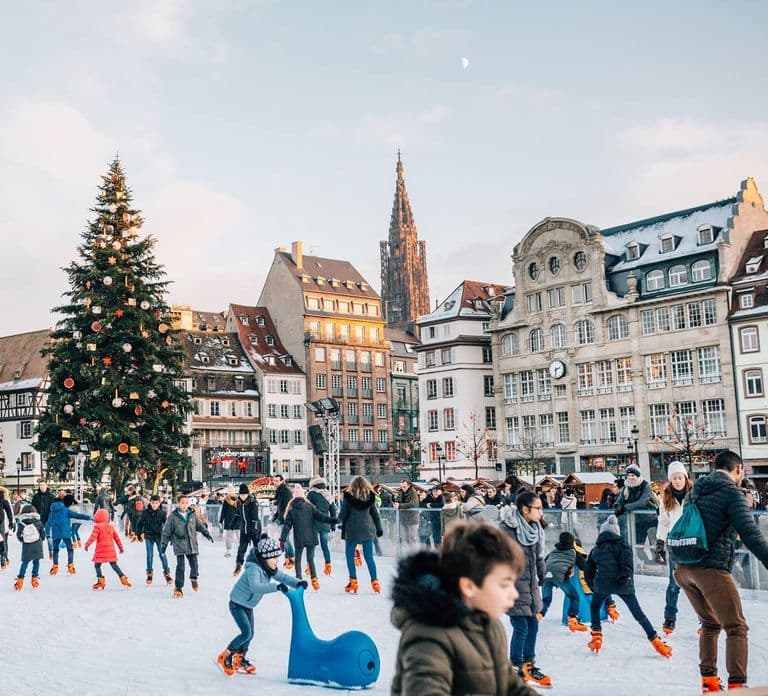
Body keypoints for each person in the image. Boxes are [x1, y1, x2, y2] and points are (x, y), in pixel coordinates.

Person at [391, 521, 537, 696]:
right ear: (469, 586)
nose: (514, 594)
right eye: (504, 585)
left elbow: (510, 686)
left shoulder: (489, 626)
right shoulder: (428, 636)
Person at [673, 450, 768, 692]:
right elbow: (751, 534)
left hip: (684, 569)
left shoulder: (695, 491)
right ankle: (737, 686)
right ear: (738, 470)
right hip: (710, 569)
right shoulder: (731, 493)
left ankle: (709, 682)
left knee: (710, 623)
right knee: (736, 627)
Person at [584, 515, 671, 658]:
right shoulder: (623, 546)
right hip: (623, 584)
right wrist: (624, 576)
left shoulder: (596, 549)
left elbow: (588, 571)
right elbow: (627, 565)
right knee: (638, 614)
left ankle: (596, 635)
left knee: (594, 606)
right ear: (617, 532)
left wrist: (594, 586)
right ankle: (656, 641)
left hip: (602, 584)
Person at [216, 535, 303, 676]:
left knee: (250, 634)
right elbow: (256, 587)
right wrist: (276, 587)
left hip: (248, 605)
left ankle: (239, 659)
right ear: (265, 558)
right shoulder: (253, 569)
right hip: (237, 604)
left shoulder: (268, 568)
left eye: (277, 558)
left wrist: (297, 583)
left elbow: (282, 577)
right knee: (246, 633)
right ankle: (225, 656)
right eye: (274, 558)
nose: (276, 561)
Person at [499, 490, 550, 689]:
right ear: (525, 509)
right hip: (513, 587)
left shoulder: (534, 528)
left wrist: (544, 575)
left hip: (530, 586)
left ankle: (529, 664)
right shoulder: (507, 530)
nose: (541, 512)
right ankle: (515, 667)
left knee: (533, 626)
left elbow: (538, 556)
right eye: (538, 508)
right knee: (521, 627)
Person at [655, 460, 691, 635]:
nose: (677, 481)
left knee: (698, 583)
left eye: (680, 477)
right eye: (674, 478)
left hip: (693, 543)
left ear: (685, 477)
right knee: (673, 584)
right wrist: (660, 542)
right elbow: (663, 522)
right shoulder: (666, 499)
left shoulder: (693, 495)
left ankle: (705, 619)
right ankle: (670, 618)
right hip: (675, 544)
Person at [280, 485, 335, 590]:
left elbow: (287, 526)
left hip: (299, 538)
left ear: (294, 497)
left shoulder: (291, 510)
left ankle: (298, 579)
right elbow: (320, 516)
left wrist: (282, 539)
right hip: (311, 536)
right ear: (304, 496)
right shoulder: (310, 507)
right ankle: (314, 580)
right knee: (310, 559)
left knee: (298, 559)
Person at [161, 493, 214, 598]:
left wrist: (206, 533)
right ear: (178, 504)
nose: (184, 505)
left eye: (186, 503)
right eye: (182, 503)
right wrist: (164, 545)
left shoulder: (192, 514)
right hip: (179, 544)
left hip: (191, 543)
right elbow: (166, 531)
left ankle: (194, 578)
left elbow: (199, 525)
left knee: (194, 564)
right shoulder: (173, 516)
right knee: (180, 567)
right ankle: (178, 587)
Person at [338, 475, 383, 594]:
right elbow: (375, 515)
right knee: (369, 557)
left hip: (352, 530)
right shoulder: (370, 497)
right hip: (367, 530)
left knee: (349, 555)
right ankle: (375, 582)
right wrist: (379, 529)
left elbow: (343, 514)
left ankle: (353, 582)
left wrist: (335, 522)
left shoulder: (348, 498)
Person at [539, 531, 588, 632]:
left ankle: (538, 615)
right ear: (571, 542)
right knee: (574, 596)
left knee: (546, 599)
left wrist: (541, 578)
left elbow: (544, 562)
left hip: (546, 575)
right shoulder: (574, 552)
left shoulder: (553, 551)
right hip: (559, 576)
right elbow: (584, 566)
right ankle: (573, 619)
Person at [614, 464, 658, 557]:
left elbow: (643, 501)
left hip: (651, 520)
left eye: (633, 475)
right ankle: (645, 563)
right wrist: (617, 507)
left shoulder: (645, 486)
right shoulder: (627, 486)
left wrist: (625, 508)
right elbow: (620, 500)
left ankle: (660, 563)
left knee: (654, 544)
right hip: (637, 521)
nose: (630, 478)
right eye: (629, 476)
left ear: (638, 476)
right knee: (638, 545)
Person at [84, 508, 131, 589]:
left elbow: (93, 537)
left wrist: (87, 545)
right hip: (110, 550)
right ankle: (123, 577)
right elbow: (117, 538)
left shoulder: (97, 527)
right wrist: (121, 548)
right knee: (114, 565)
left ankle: (100, 581)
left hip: (100, 551)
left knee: (97, 566)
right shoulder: (110, 527)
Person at [45, 498, 91, 575]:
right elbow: (77, 515)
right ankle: (70, 565)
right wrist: (89, 517)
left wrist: (47, 534)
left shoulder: (52, 513)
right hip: (66, 533)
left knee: (56, 550)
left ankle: (55, 566)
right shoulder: (65, 510)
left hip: (56, 534)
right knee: (70, 549)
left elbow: (48, 524)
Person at [135, 494, 172, 586]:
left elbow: (167, 526)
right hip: (149, 536)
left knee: (162, 554)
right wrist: (138, 534)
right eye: (152, 503)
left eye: (156, 503)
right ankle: (149, 573)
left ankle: (167, 573)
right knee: (149, 555)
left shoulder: (162, 513)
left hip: (160, 536)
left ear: (159, 503)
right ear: (150, 503)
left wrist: (169, 536)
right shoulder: (145, 512)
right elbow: (139, 524)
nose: (154, 505)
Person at [306, 476, 337, 576]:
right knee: (325, 546)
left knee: (312, 546)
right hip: (325, 523)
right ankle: (328, 567)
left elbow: (307, 509)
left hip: (313, 523)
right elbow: (333, 511)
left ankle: (309, 568)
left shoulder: (311, 494)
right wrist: (333, 525)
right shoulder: (328, 495)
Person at [14, 504, 45, 590]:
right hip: (37, 543)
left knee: (25, 562)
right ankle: (34, 579)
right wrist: (40, 539)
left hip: (27, 544)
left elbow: (18, 534)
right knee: (36, 561)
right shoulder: (38, 521)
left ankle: (20, 580)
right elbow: (43, 533)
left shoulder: (21, 522)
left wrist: (22, 540)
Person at [234, 483, 262, 576]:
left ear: (247, 494)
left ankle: (262, 564)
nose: (243, 496)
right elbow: (238, 514)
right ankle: (238, 565)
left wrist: (254, 529)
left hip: (254, 528)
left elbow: (254, 517)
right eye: (241, 495)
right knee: (242, 548)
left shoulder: (252, 502)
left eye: (244, 494)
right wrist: (233, 522)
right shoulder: (238, 502)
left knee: (257, 547)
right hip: (244, 529)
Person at [272, 475, 294, 569]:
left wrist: (281, 518)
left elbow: (288, 507)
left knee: (285, 538)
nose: (275, 482)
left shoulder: (286, 491)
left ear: (282, 481)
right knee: (284, 538)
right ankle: (288, 557)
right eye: (274, 481)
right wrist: (276, 516)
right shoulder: (279, 491)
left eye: (277, 481)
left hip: (287, 518)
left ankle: (291, 556)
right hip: (282, 518)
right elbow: (280, 507)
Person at [31, 481, 55, 557]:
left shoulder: (51, 496)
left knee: (49, 536)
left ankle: (51, 550)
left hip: (48, 519)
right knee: (38, 536)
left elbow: (53, 508)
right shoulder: (36, 496)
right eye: (40, 485)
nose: (42, 487)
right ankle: (38, 552)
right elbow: (33, 507)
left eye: (43, 485)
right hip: (38, 519)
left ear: (46, 486)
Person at [394, 479, 420, 546]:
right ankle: (407, 553)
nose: (403, 488)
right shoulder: (400, 492)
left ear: (409, 486)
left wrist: (400, 505)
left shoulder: (413, 492)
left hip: (413, 519)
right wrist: (395, 502)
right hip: (404, 519)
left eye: (404, 487)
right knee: (405, 539)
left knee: (412, 539)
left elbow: (414, 504)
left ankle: (413, 554)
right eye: (402, 487)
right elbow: (397, 501)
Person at [218, 486, 241, 559]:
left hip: (236, 520)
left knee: (239, 536)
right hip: (230, 520)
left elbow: (241, 510)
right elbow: (223, 511)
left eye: (231, 489)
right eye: (229, 489)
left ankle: (241, 550)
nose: (230, 491)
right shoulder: (227, 500)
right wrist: (221, 520)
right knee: (229, 537)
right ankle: (229, 551)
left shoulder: (238, 500)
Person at [0, 485, 13, 569]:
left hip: (0, 521)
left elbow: (8, 510)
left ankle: (3, 558)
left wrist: (11, 521)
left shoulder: (1, 495)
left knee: (2, 540)